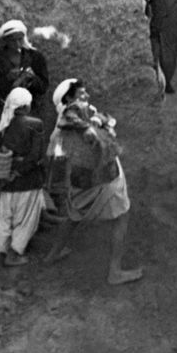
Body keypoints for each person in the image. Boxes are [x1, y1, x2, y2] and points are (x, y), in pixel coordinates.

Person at [43, 78, 143, 285]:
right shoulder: (78, 124)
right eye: (81, 94)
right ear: (69, 99)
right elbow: (102, 146)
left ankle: (51, 256)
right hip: (103, 178)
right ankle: (114, 272)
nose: (86, 96)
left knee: (74, 215)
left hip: (79, 182)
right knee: (122, 216)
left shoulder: (61, 128)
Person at [0, 87, 46, 271]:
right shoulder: (35, 124)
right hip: (28, 180)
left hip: (5, 180)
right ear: (26, 105)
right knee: (26, 219)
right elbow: (35, 156)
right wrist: (20, 170)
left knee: (4, 219)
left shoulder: (2, 125)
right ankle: (13, 255)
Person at [0, 19, 50, 147]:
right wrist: (8, 78)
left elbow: (43, 86)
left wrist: (31, 79)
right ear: (5, 40)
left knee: (22, 152)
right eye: (12, 40)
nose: (17, 43)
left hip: (25, 115)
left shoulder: (35, 58)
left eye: (20, 39)